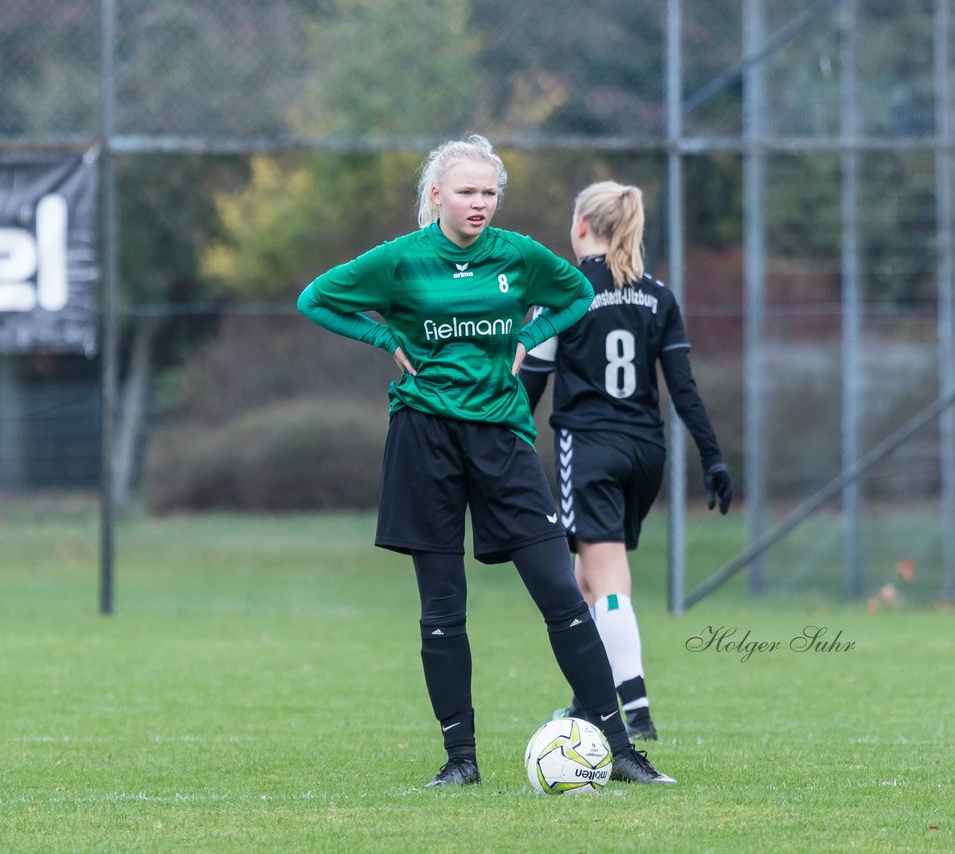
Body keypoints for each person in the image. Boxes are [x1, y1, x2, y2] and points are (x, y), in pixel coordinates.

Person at [298, 135, 675, 787]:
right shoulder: (401, 260)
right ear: (437, 195)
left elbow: (575, 296)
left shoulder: (518, 255)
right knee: (442, 606)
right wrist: (385, 336)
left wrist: (526, 339)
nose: (480, 203)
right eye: (467, 192)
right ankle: (460, 761)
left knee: (561, 591)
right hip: (424, 437)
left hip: (502, 436)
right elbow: (317, 298)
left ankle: (622, 752)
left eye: (489, 192)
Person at [520, 180, 733, 742]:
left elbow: (531, 387)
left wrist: (495, 448)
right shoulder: (657, 295)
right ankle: (587, 700)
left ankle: (634, 712)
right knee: (585, 578)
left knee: (606, 578)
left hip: (589, 447)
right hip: (645, 453)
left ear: (582, 227)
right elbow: (683, 388)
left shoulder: (564, 294)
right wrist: (712, 458)